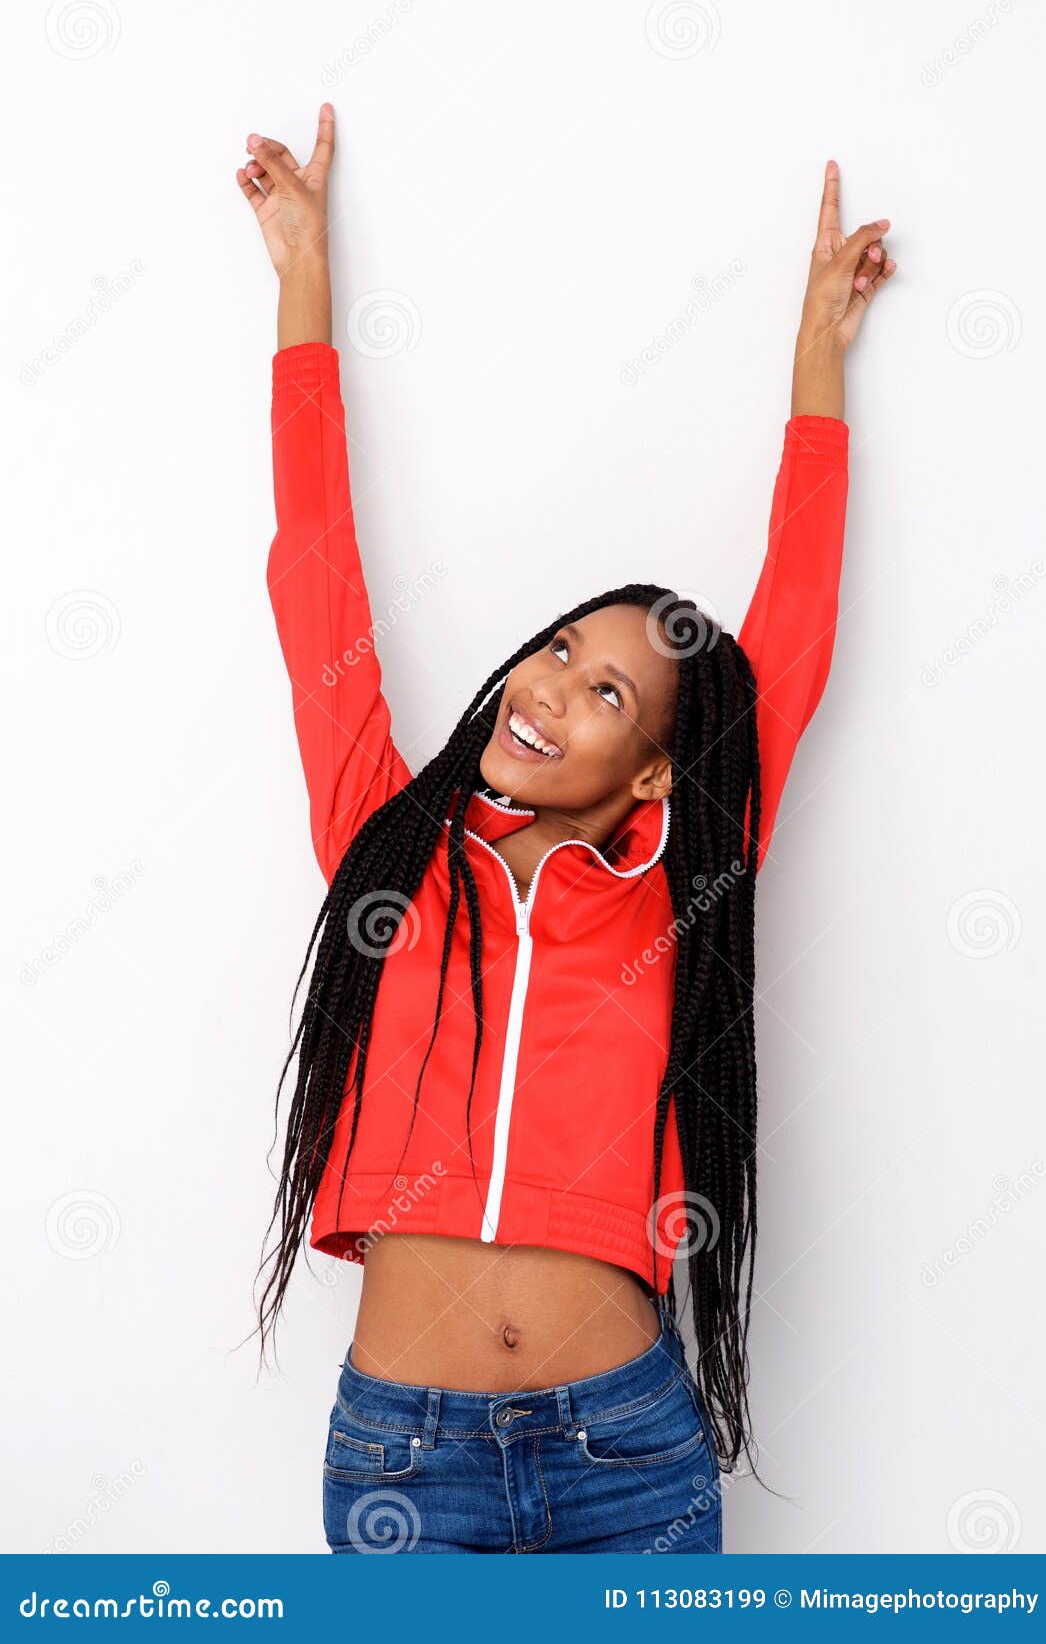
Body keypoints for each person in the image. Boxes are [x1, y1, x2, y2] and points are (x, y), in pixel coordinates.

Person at [237, 103, 894, 1554]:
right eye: (553, 650)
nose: (547, 687)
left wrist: (817, 364)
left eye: (607, 689)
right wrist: (300, 280)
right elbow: (317, 577)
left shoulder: (687, 881)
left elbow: (789, 631)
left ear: (657, 769)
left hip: (629, 1448)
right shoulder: (388, 844)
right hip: (405, 1454)